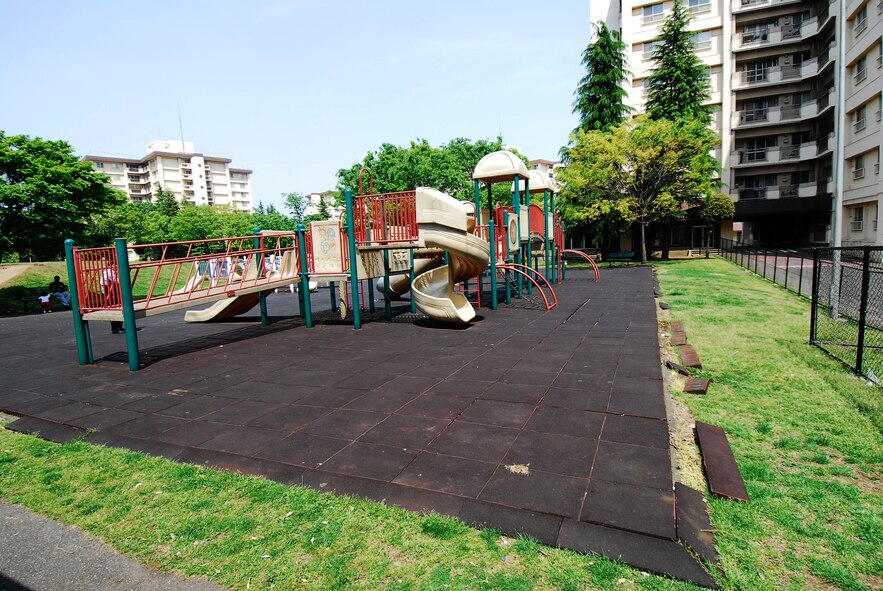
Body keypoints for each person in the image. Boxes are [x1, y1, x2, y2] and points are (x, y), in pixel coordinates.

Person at [99, 264, 124, 333]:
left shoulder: (111, 272)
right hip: (110, 292)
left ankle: (118, 327)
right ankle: (116, 328)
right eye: (115, 265)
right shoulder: (109, 272)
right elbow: (116, 280)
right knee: (115, 309)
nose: (116, 266)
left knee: (117, 308)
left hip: (112, 291)